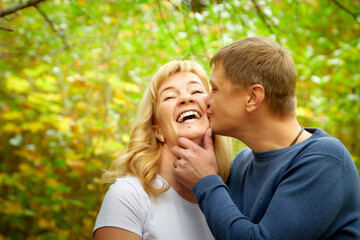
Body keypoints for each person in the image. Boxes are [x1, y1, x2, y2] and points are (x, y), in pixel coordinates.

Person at [172, 36, 360, 239]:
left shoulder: (324, 160)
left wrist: (205, 181)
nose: (206, 101)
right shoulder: (242, 163)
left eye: (215, 89)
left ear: (253, 97)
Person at [93, 60, 232, 239]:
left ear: (211, 111)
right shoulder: (128, 195)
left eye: (196, 91)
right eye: (169, 96)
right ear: (157, 130)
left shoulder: (231, 194)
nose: (186, 98)